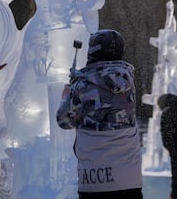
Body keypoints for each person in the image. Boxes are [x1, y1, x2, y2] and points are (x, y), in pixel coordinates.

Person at [56, 29, 143, 199]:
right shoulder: (128, 81)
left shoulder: (82, 85)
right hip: (130, 179)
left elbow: (64, 120)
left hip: (94, 179)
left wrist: (67, 96)